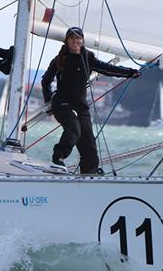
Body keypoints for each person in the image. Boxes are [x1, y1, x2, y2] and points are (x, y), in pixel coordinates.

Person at [41, 27, 140, 175]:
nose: (76, 41)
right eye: (72, 38)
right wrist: (48, 101)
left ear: (82, 41)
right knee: (74, 129)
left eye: (78, 38)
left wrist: (129, 72)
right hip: (62, 104)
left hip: (80, 105)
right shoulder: (59, 60)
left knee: (89, 143)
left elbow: (108, 69)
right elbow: (46, 81)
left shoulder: (87, 57)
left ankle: (89, 173)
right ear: (67, 41)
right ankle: (58, 157)